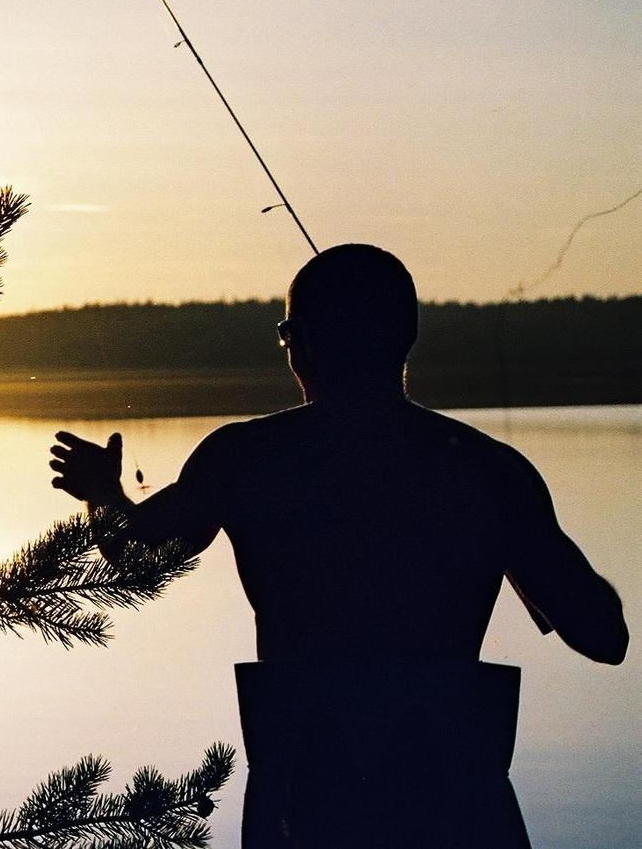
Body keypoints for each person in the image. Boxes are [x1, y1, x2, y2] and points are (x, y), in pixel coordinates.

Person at [48, 244, 627, 848]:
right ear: (405, 338)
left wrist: (102, 494)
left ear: (306, 343)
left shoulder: (247, 460)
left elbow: (138, 558)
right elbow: (603, 635)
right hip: (459, 805)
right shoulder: (490, 471)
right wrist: (528, 564)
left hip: (304, 804)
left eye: (287, 331)